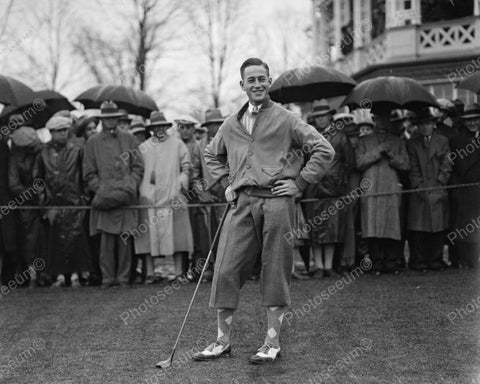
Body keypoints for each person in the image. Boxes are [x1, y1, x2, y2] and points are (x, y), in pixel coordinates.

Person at [193, 58, 334, 364]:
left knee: (274, 270)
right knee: (226, 268)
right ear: (242, 85)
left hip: (276, 202)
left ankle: (272, 343)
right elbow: (210, 153)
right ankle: (222, 341)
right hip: (241, 203)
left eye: (262, 78)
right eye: (251, 80)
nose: (257, 84)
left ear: (268, 82)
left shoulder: (286, 118)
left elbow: (324, 149)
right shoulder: (230, 123)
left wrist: (300, 182)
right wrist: (226, 183)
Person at [83, 101, 144, 288]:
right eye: (107, 118)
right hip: (105, 199)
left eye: (114, 118)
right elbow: (88, 173)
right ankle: (107, 278)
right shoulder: (92, 142)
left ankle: (124, 277)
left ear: (118, 119)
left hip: (126, 197)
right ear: (102, 120)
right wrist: (101, 189)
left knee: (125, 239)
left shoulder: (129, 139)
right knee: (106, 242)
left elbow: (138, 166)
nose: (111, 121)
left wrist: (130, 185)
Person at [134, 111, 194, 281]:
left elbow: (186, 166)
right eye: (155, 127)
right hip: (149, 197)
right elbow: (138, 170)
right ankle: (150, 273)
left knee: (178, 235)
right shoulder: (144, 147)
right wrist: (143, 191)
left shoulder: (177, 144)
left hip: (172, 195)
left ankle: (179, 273)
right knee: (148, 237)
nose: (159, 129)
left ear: (167, 127)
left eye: (162, 126)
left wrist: (182, 181)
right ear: (151, 129)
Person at [34, 116, 91, 287]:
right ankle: (58, 276)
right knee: (55, 243)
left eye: (66, 129)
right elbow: (38, 180)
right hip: (53, 206)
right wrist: (44, 206)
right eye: (59, 130)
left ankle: (78, 275)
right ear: (51, 132)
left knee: (76, 242)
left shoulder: (77, 151)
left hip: (75, 205)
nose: (64, 133)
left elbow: (84, 177)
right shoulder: (43, 153)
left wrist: (84, 201)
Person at [304, 100, 354, 278]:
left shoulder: (340, 137)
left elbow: (349, 162)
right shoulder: (308, 137)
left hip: (334, 189)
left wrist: (339, 179)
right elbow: (303, 161)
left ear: (330, 117)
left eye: (323, 116)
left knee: (333, 227)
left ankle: (328, 265)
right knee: (315, 227)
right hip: (314, 188)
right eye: (317, 117)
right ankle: (318, 266)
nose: (320, 119)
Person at [356, 111, 410, 275]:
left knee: (391, 224)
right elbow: (359, 163)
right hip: (371, 188)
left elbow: (406, 165)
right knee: (372, 225)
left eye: (386, 118)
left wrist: (392, 154)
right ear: (374, 119)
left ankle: (391, 262)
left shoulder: (398, 141)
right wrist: (377, 151)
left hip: (391, 187)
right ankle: (376, 262)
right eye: (380, 117)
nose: (383, 121)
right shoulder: (364, 141)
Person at [406, 109, 451, 272]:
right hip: (420, 190)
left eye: (428, 124)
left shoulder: (442, 141)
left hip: (438, 188)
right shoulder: (412, 143)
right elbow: (412, 167)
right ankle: (418, 260)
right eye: (421, 125)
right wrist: (418, 185)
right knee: (418, 227)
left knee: (438, 227)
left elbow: (448, 163)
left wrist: (441, 182)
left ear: (433, 124)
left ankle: (436, 260)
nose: (425, 128)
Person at [9, 125, 44, 287]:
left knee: (46, 239)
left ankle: (47, 276)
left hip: (44, 202)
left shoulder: (42, 151)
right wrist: (33, 195)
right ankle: (32, 276)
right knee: (29, 241)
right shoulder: (15, 157)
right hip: (27, 207)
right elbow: (14, 184)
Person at [175, 115, 209, 281]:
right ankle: (180, 272)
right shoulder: (173, 146)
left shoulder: (198, 146)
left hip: (195, 198)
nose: (185, 130)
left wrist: (200, 192)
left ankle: (197, 272)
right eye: (182, 127)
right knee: (180, 235)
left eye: (188, 127)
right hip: (177, 196)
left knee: (198, 236)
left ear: (194, 129)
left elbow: (198, 174)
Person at [449, 103, 480, 269]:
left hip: (478, 189)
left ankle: (475, 261)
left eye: (475, 119)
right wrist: (456, 189)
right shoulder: (456, 140)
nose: (472, 123)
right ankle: (462, 260)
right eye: (469, 120)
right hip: (463, 189)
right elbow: (453, 166)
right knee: (463, 227)